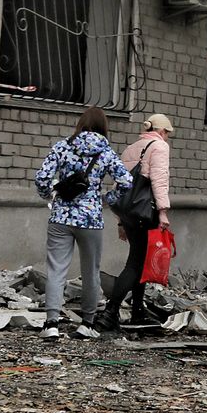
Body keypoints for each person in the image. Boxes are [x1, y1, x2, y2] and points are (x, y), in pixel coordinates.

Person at [36, 106, 132, 330]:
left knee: (56, 269)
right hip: (91, 219)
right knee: (90, 272)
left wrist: (49, 194)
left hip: (60, 217)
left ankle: (51, 324)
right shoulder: (105, 152)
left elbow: (42, 178)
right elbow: (126, 181)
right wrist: (107, 199)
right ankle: (87, 324)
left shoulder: (62, 146)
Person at [105, 113, 175, 328]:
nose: (168, 138)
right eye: (168, 133)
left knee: (140, 260)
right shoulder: (159, 147)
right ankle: (110, 311)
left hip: (128, 213)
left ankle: (137, 310)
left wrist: (120, 221)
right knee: (136, 263)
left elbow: (121, 187)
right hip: (146, 212)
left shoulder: (131, 148)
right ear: (162, 131)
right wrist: (163, 212)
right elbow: (159, 180)